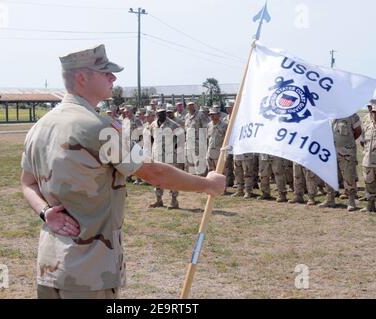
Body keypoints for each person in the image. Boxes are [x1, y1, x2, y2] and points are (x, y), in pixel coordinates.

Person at [19, 44, 226, 299]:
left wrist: (44, 212)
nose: (113, 78)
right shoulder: (99, 127)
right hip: (89, 271)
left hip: (51, 265)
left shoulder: (39, 127)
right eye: (105, 72)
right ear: (82, 77)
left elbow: (27, 184)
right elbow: (152, 173)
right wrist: (207, 184)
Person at [318, 113, 361, 211]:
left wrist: (346, 143)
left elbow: (358, 131)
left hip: (346, 152)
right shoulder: (328, 115)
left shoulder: (351, 114)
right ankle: (330, 199)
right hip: (329, 151)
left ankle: (351, 201)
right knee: (328, 174)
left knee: (348, 175)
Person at [148, 105, 185, 209]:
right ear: (156, 114)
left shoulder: (173, 125)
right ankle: (158, 200)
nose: (162, 115)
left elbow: (181, 137)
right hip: (157, 156)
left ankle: (174, 202)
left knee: (171, 178)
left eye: (164, 113)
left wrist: (176, 148)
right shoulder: (153, 125)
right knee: (157, 178)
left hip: (169, 157)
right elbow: (151, 137)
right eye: (160, 113)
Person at [360, 100, 376, 213]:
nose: (374, 113)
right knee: (369, 183)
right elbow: (362, 141)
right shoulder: (367, 123)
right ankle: (370, 206)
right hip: (369, 160)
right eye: (373, 111)